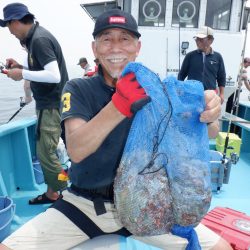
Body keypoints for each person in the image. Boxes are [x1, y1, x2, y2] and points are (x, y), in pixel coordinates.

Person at [0, 9, 232, 250]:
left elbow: (211, 133)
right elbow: (77, 149)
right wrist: (119, 105)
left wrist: (210, 113)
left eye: (125, 39)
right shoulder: (78, 88)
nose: (115, 48)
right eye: (106, 39)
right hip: (84, 204)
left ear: (137, 47)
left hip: (146, 204)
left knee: (221, 247)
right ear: (95, 48)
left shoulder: (157, 91)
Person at [0, 3, 69, 204]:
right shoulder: (35, 38)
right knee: (49, 152)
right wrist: (21, 67)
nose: (9, 31)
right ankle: (52, 193)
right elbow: (42, 69)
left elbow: (54, 76)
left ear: (16, 21)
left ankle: (64, 191)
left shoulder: (39, 40)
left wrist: (22, 73)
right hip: (49, 104)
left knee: (46, 152)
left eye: (8, 26)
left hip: (52, 105)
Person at [178, 26, 226, 104]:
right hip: (192, 95)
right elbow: (181, 75)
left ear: (211, 40)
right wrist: (179, 89)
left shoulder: (218, 57)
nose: (197, 41)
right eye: (197, 39)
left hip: (210, 97)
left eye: (201, 39)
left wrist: (222, 94)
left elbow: (221, 77)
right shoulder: (190, 56)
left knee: (207, 116)